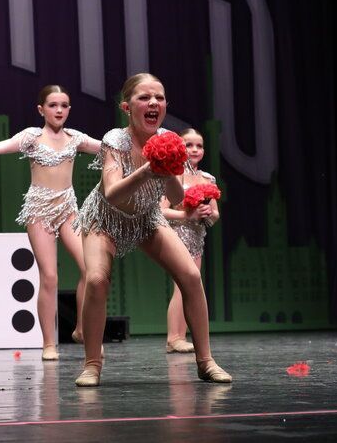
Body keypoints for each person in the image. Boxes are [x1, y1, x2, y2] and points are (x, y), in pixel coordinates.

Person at [73, 72, 232, 386]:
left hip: (146, 218)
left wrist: (172, 175)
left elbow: (176, 196)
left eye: (159, 97)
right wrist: (148, 170)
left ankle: (206, 362)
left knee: (191, 276)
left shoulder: (168, 139)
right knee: (96, 279)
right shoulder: (115, 140)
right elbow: (112, 193)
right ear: (127, 107)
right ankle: (92, 364)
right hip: (104, 218)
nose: (153, 103)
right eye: (144, 97)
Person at [0, 85, 100, 360]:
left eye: (64, 105)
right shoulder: (32, 137)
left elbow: (107, 147)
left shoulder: (75, 138)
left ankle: (81, 328)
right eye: (53, 105)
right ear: (41, 110)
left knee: (91, 269)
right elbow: (0, 146)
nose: (59, 110)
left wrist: (141, 146)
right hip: (39, 211)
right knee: (50, 276)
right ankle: (49, 343)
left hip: (68, 209)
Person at [160, 128, 219, 354]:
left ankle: (180, 336)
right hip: (177, 235)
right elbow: (161, 211)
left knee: (191, 287)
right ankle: (173, 338)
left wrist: (207, 214)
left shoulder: (207, 178)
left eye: (199, 146)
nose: (194, 149)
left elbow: (215, 214)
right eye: (188, 145)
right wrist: (188, 215)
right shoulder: (174, 175)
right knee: (182, 286)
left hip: (197, 237)